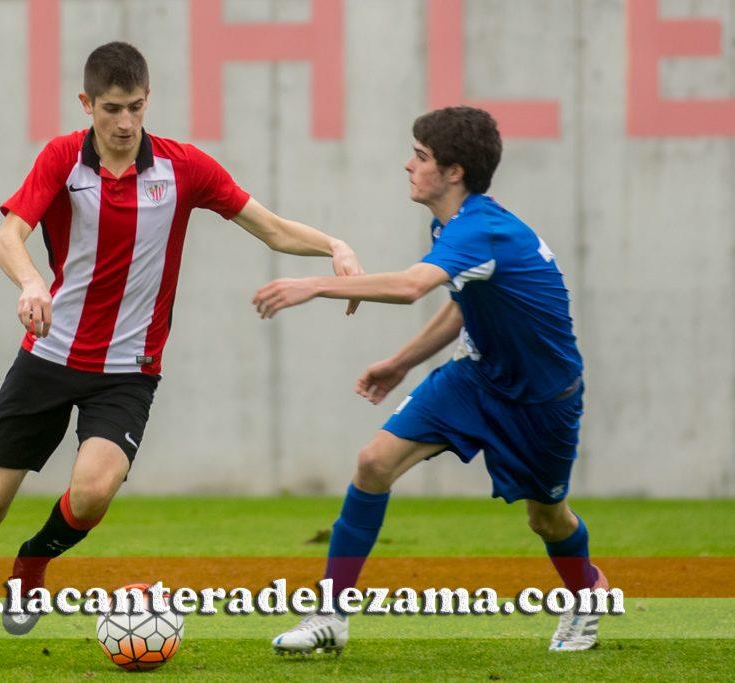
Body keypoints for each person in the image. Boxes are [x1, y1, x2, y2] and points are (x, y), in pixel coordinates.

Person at [0, 41, 362, 662]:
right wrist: (33, 282)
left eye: (135, 108)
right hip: (48, 357)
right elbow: (9, 236)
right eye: (111, 108)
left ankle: (32, 563)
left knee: (92, 492)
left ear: (147, 102)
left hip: (127, 372)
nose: (124, 123)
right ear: (86, 103)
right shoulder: (62, 159)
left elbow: (269, 228)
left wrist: (335, 246)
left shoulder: (184, 168)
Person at [259, 106, 606, 655]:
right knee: (374, 462)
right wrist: (401, 362)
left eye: (420, 157)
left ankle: (588, 597)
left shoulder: (481, 229)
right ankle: (330, 615)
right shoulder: (452, 224)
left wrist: (316, 285)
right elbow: (464, 305)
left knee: (547, 518)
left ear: (454, 171)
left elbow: (411, 287)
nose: (408, 165)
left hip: (544, 400)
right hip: (477, 378)